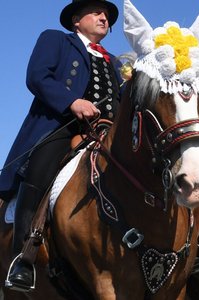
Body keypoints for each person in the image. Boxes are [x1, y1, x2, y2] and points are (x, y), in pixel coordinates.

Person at [0, 0, 122, 291]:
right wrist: (72, 102)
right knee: (40, 171)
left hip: (108, 133)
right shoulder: (56, 40)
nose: (104, 17)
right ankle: (23, 257)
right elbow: (37, 76)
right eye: (97, 12)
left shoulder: (115, 61)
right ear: (76, 20)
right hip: (63, 125)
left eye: (106, 15)